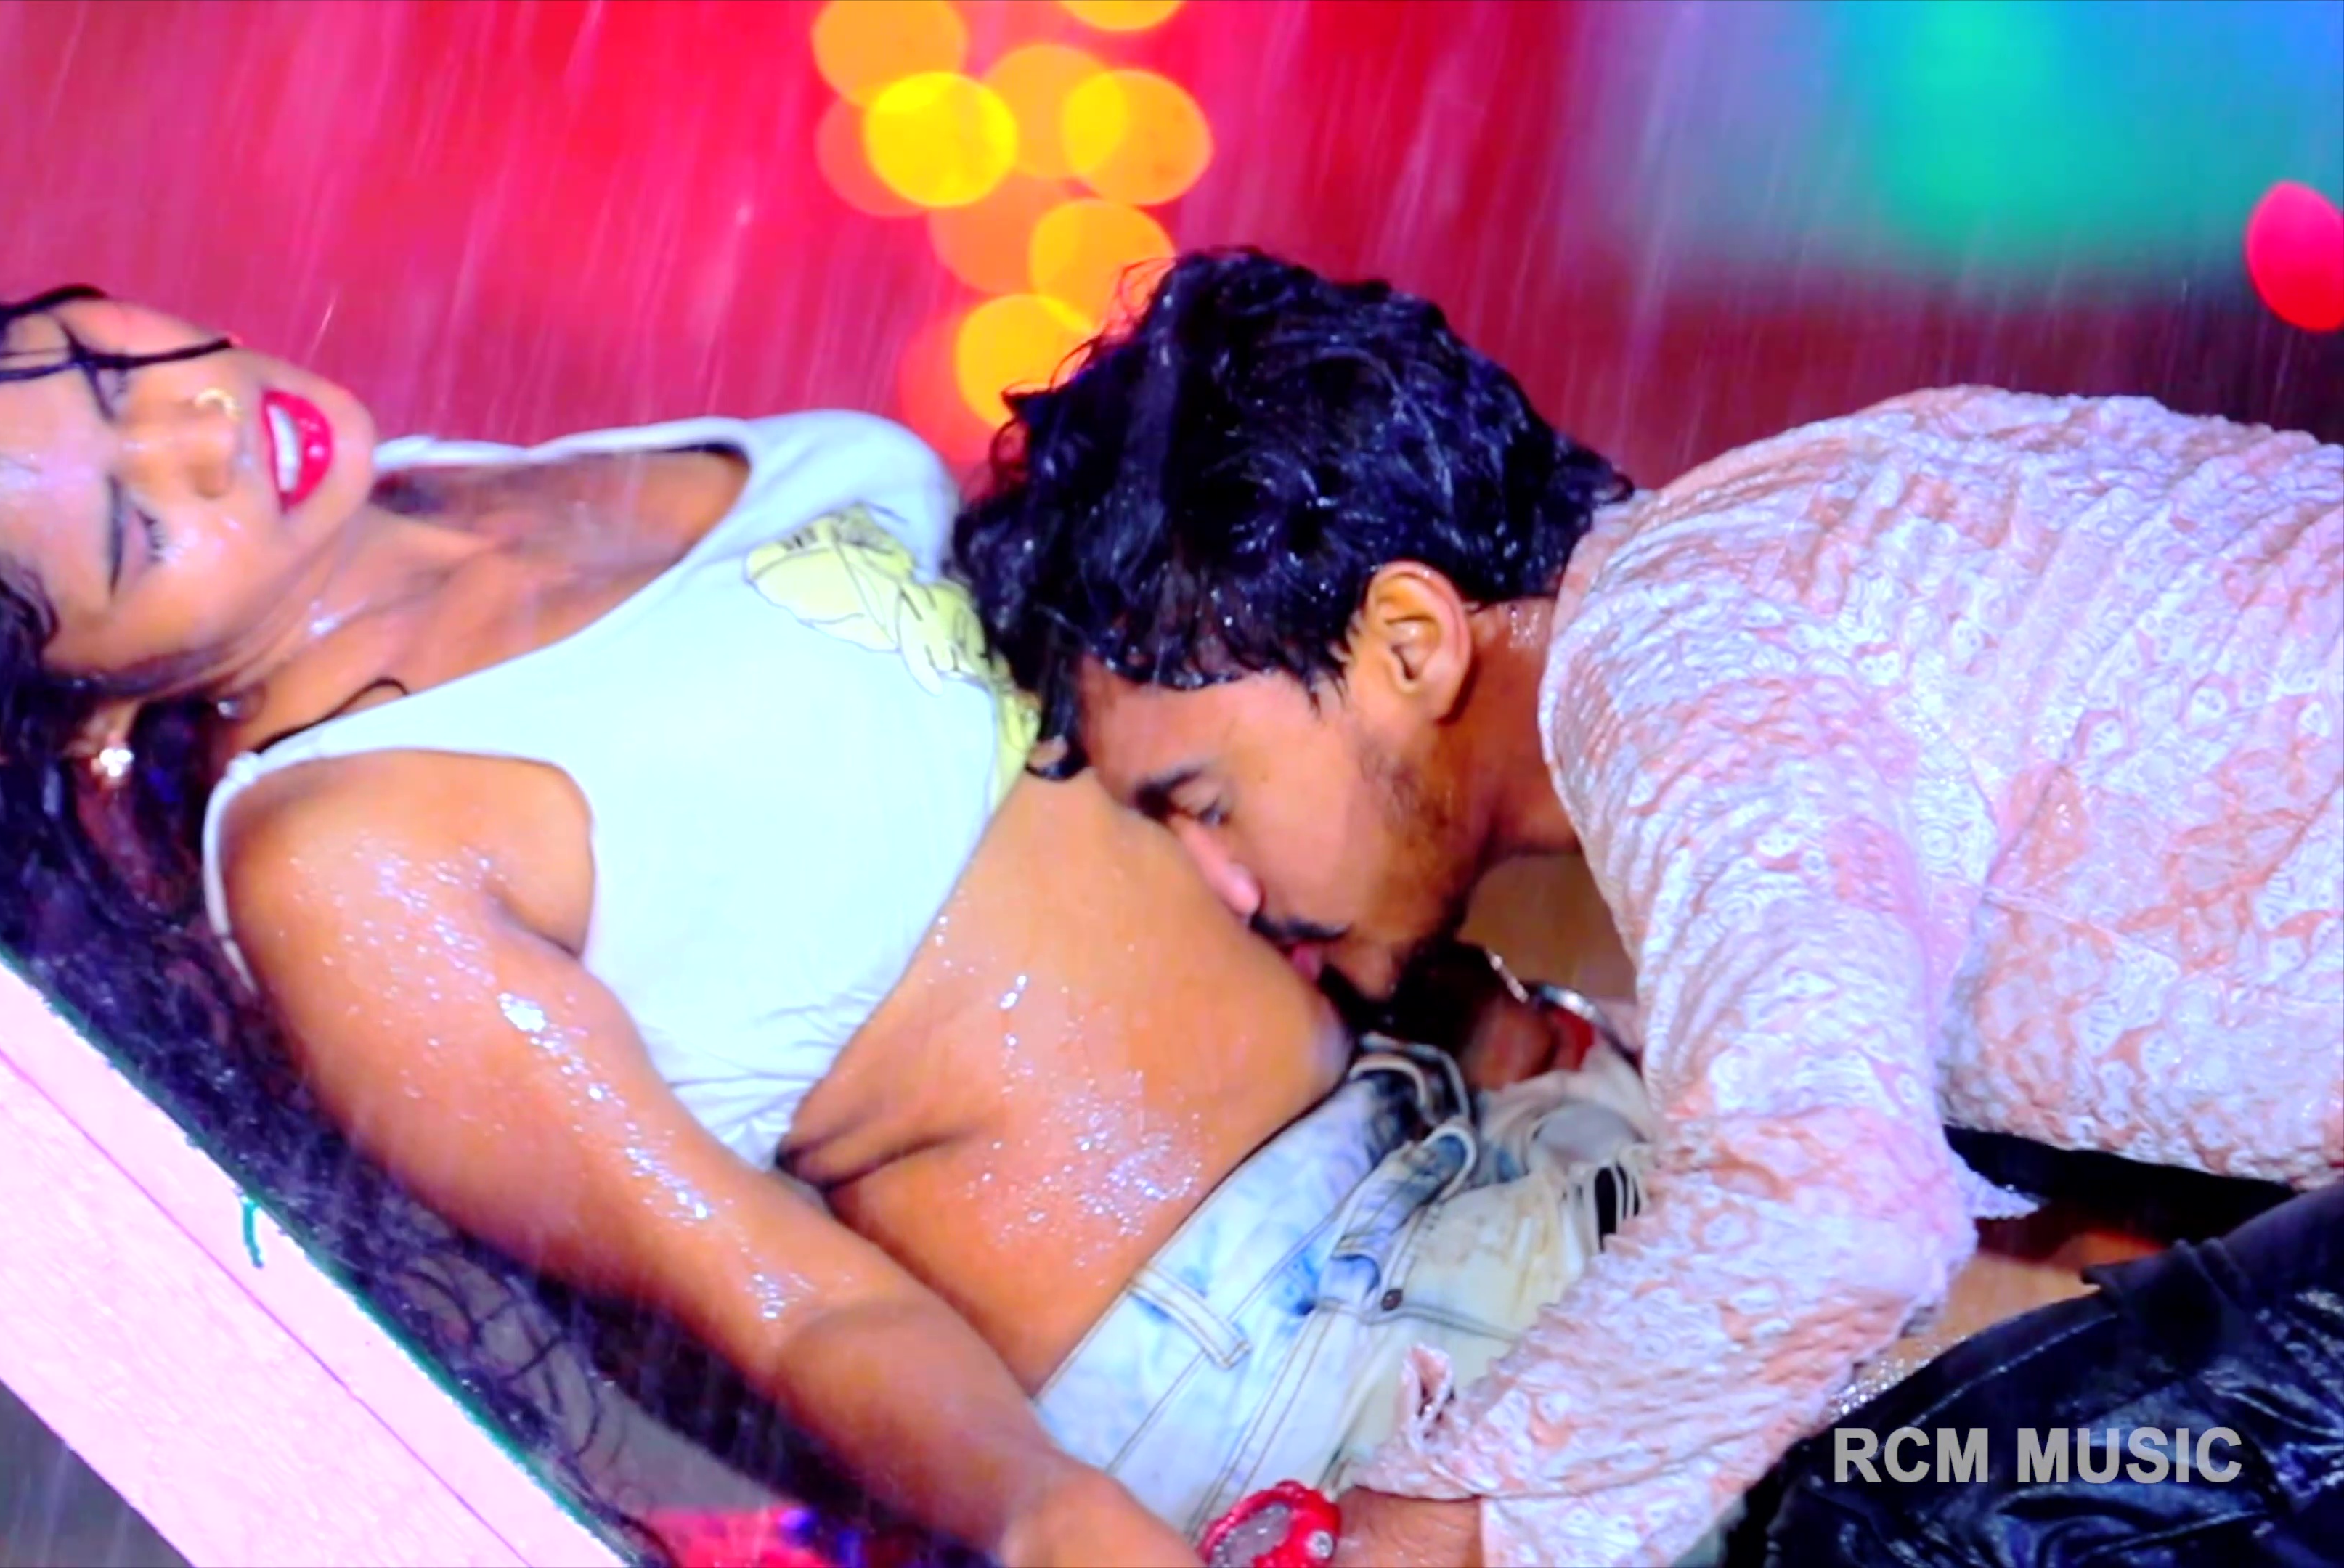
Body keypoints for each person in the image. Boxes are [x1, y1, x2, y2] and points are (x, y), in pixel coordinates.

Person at [0, 286, 1661, 1566]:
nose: (196, 431)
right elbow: (782, 1304)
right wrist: (1056, 1528)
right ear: (83, 703)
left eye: (98, 365)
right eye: (137, 529)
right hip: (1289, 1363)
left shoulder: (445, 483)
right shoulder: (343, 863)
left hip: (1474, 1130)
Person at [952, 248, 2344, 1566]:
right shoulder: (1764, 546)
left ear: (1410, 646)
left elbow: (1828, 1214)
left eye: (1203, 802)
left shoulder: (1677, 658)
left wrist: (1426, 1522)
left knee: (1922, 1515)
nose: (1222, 884)